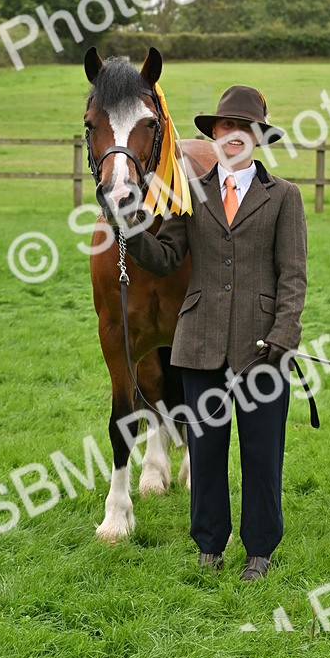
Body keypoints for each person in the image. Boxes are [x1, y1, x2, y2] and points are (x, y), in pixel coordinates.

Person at [122, 85, 308, 580]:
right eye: (226, 127)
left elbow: (293, 276)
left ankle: (260, 552)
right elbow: (165, 258)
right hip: (200, 343)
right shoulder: (191, 196)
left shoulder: (285, 198)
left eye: (244, 129)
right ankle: (209, 545)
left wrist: (284, 336)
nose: (233, 136)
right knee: (205, 452)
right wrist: (134, 229)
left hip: (262, 350)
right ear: (215, 133)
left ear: (257, 139)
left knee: (262, 454)